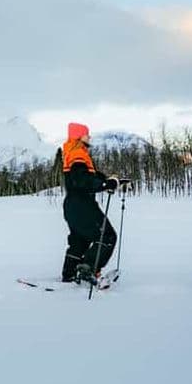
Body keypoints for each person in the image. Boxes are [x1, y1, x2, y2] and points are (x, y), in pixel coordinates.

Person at [61, 122, 120, 285]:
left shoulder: (72, 152)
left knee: (80, 240)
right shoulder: (78, 153)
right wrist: (103, 185)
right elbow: (82, 179)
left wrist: (109, 181)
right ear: (79, 136)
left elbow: (90, 176)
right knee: (107, 236)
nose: (89, 137)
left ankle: (69, 274)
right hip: (82, 205)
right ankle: (88, 269)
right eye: (87, 134)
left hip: (72, 205)